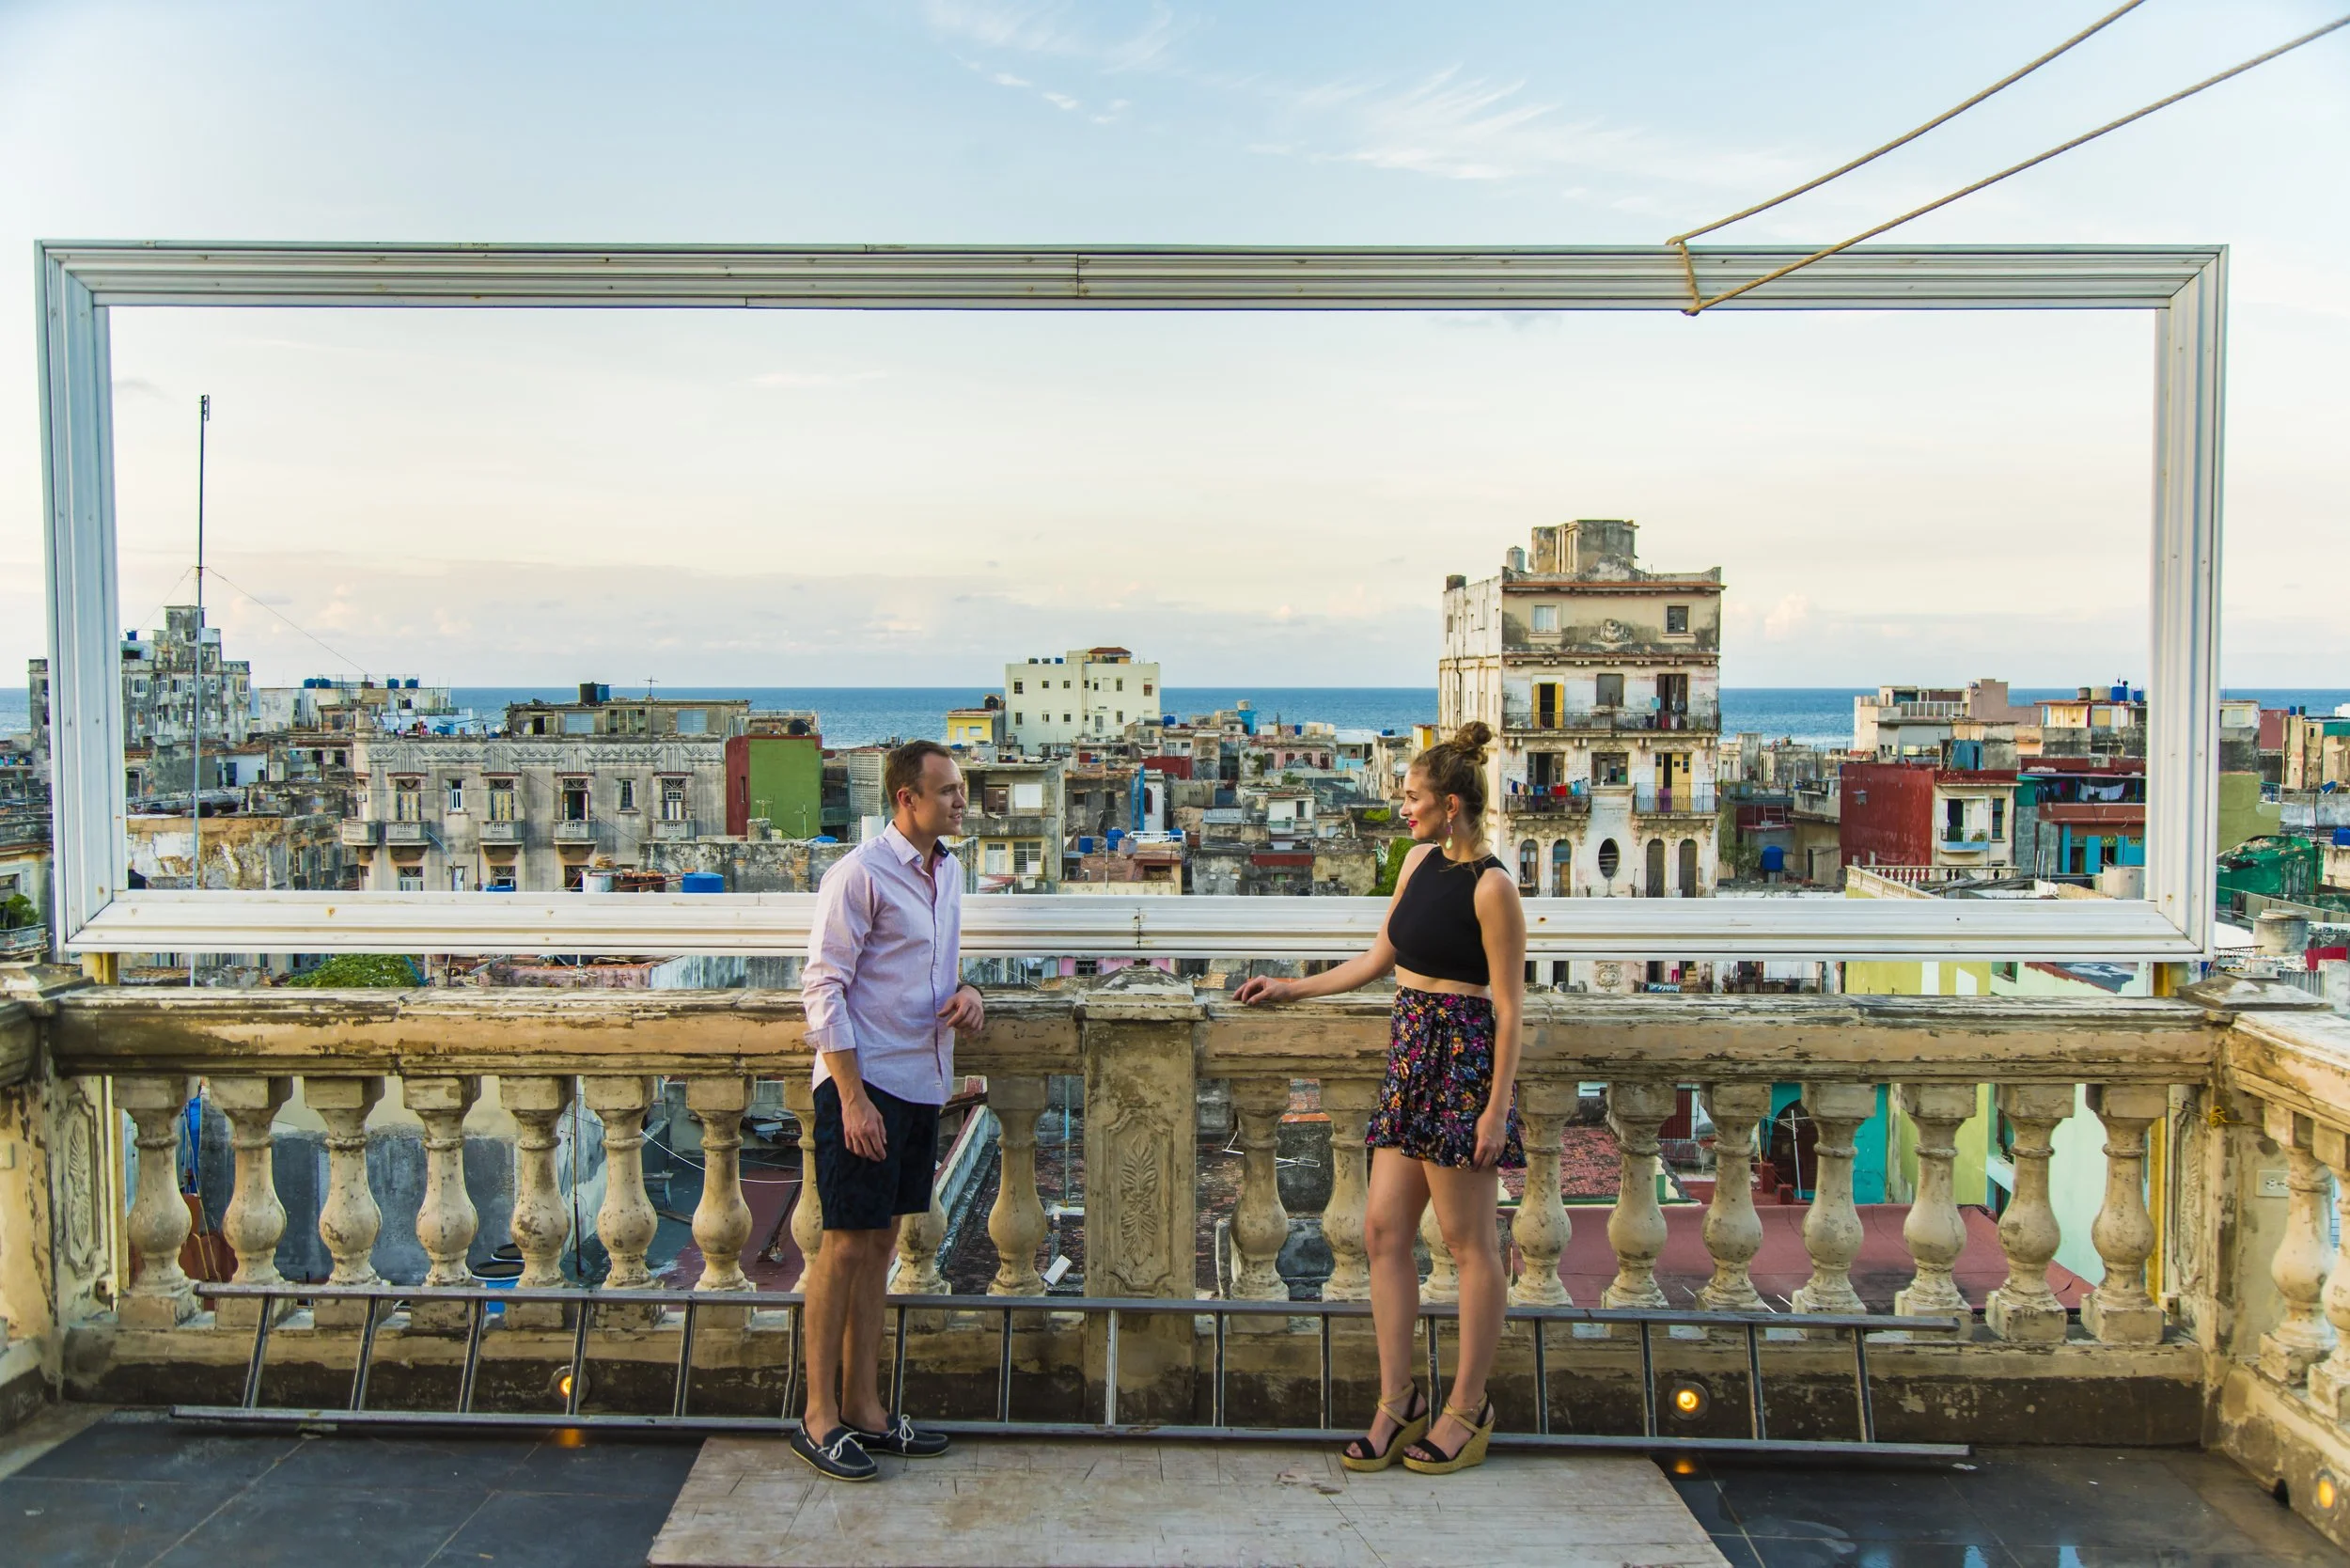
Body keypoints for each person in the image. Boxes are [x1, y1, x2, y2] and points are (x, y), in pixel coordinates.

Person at [1235, 720, 1525, 1476]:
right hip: (1410, 1054)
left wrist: (1495, 1108)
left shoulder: (1493, 887)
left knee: (1467, 1247)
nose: (1404, 808)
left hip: (1461, 1064)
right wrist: (1291, 985)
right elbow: (1378, 957)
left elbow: (1509, 1008)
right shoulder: (1418, 861)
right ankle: (1400, 1403)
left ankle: (1468, 1408)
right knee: (1381, 1232)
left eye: (1414, 798)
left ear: (1453, 804)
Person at [791, 739, 986, 1482]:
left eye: (960, 790)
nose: (960, 801)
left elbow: (935, 966)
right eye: (947, 791)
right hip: (863, 1087)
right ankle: (818, 1417)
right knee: (841, 1249)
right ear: (907, 798)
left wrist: (969, 993)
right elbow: (823, 987)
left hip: (920, 1083)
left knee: (880, 1249)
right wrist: (850, 1097)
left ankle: (867, 1410)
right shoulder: (858, 875)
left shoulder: (950, 872)